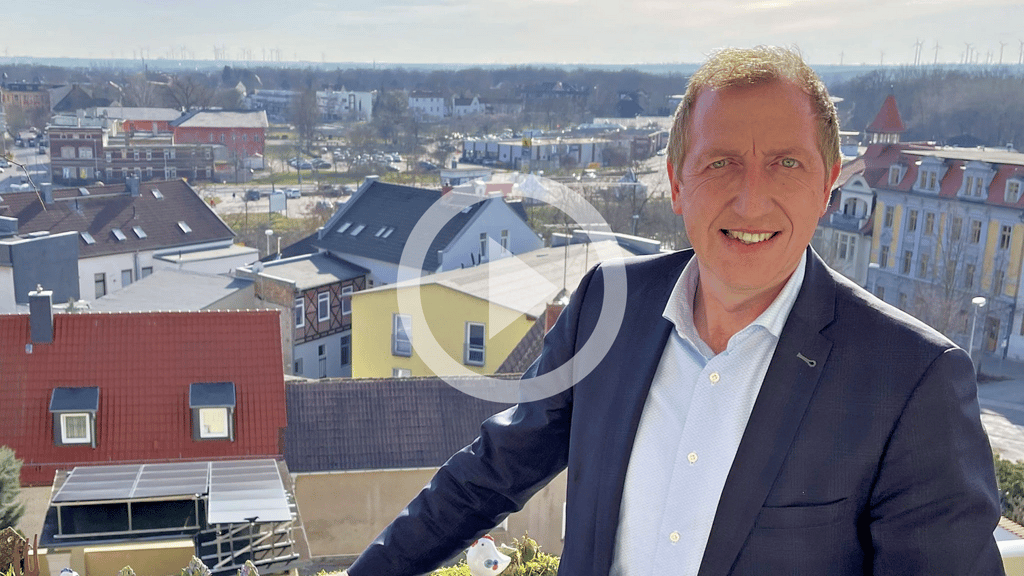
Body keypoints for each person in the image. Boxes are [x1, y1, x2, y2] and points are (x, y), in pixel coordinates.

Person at [346, 46, 1003, 575]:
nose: (751, 200)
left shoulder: (913, 383)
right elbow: (486, 479)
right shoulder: (610, 304)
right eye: (721, 162)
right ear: (676, 182)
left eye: (785, 163)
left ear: (829, 185)